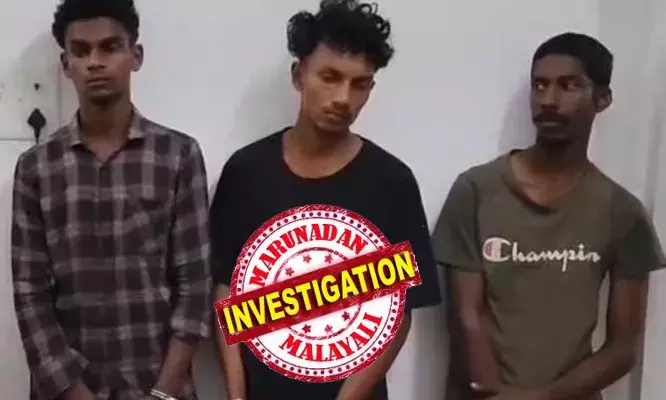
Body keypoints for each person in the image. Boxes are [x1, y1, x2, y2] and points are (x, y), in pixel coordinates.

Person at [210, 1, 441, 399]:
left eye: (360, 84)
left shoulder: (391, 182)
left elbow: (397, 313)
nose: (343, 98)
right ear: (298, 75)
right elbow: (225, 290)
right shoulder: (247, 171)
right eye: (330, 77)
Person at [433, 32, 666, 400]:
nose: (548, 100)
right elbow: (465, 317)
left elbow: (623, 348)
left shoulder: (622, 211)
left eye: (568, 86)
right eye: (539, 85)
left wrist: (540, 398)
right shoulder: (476, 191)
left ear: (602, 98)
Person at [11, 1, 211, 399]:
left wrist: (163, 391)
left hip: (159, 388)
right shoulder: (36, 168)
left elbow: (195, 286)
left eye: (110, 47)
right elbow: (30, 295)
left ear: (136, 55)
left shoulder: (178, 156)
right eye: (81, 51)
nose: (95, 62)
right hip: (67, 392)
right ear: (66, 64)